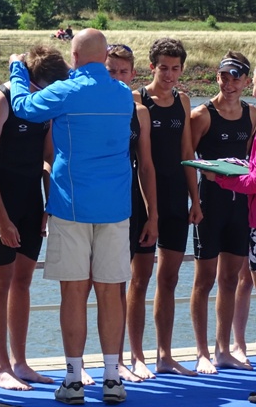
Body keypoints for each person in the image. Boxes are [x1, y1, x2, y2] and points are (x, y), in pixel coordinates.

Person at [11, 28, 133, 404]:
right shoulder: (123, 94)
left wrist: (17, 69)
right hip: (115, 207)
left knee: (74, 292)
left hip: (72, 204)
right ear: (105, 56)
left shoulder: (67, 91)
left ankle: (74, 380)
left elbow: (24, 107)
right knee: (110, 292)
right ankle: (112, 378)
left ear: (74, 57)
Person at [0, 45, 67, 390]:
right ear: (32, 79)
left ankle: (20, 362)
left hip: (32, 201)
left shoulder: (45, 106)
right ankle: (1, 366)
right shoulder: (0, 102)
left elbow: (48, 156)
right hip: (1, 201)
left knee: (23, 282)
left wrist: (50, 203)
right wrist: (1, 220)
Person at [130, 38, 202, 378]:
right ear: (152, 67)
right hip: (143, 199)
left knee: (169, 279)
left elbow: (187, 153)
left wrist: (195, 200)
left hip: (176, 198)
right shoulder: (137, 100)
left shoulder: (183, 101)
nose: (169, 74)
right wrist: (150, 210)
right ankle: (136, 356)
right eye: (164, 68)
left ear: (181, 69)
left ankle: (165, 355)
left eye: (175, 68)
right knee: (139, 279)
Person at [190, 52, 256, 373]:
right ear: (217, 77)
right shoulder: (202, 115)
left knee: (230, 278)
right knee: (204, 280)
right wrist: (194, 202)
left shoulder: (252, 115)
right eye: (224, 77)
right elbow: (187, 160)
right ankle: (202, 352)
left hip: (239, 206)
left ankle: (223, 349)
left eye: (236, 78)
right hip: (209, 204)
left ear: (246, 81)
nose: (229, 84)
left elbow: (250, 164)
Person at [105, 44, 158, 383]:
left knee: (130, 280)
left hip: (132, 203)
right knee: (101, 284)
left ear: (133, 74)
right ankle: (104, 360)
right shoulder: (92, 107)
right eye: (111, 71)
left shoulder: (139, 112)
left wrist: (153, 215)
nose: (117, 77)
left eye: (123, 72)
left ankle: (128, 357)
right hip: (102, 203)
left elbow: (146, 166)